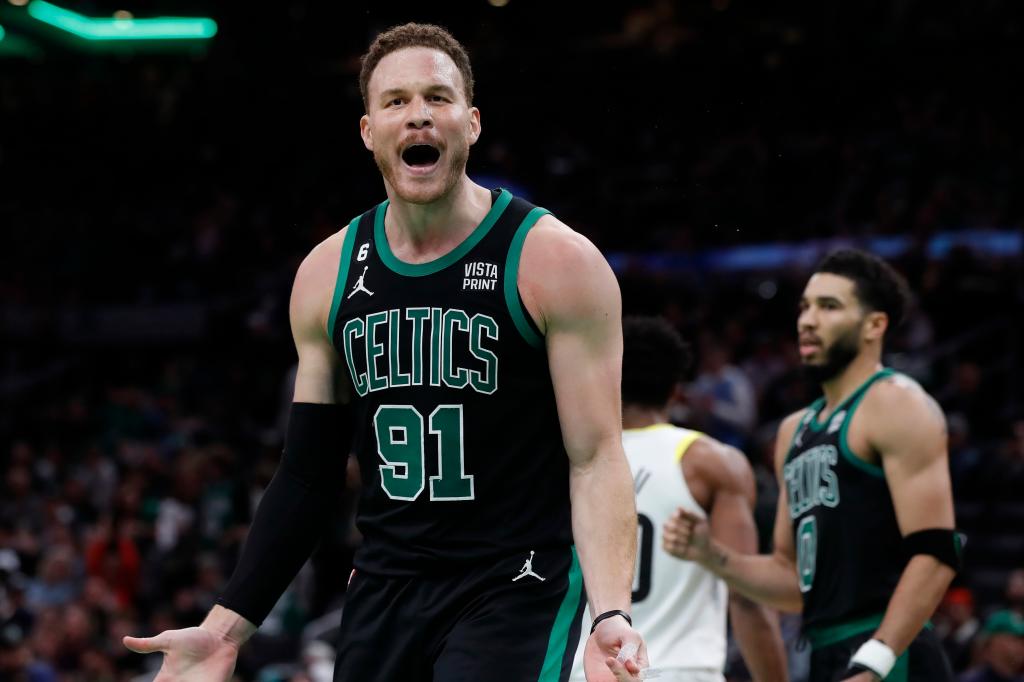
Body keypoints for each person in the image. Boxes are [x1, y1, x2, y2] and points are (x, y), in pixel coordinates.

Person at [123, 22, 646, 682]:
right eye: (396, 101)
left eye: (437, 97)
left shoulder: (555, 261)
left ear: (472, 122)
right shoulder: (327, 273)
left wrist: (611, 613)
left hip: (515, 581)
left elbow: (596, 453)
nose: (418, 114)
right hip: (383, 586)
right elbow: (309, 473)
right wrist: (225, 629)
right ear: (370, 132)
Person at [663, 249, 960, 681]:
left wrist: (877, 660)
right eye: (805, 306)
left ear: (875, 325)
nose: (807, 319)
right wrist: (713, 556)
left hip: (891, 651)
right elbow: (791, 581)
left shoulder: (896, 403)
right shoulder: (793, 431)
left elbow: (936, 553)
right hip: (827, 654)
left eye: (829, 307)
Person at [568, 316, 787, 682]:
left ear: (608, 379)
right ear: (676, 390)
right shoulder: (709, 463)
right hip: (683, 671)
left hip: (588, 670)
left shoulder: (571, 462)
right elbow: (746, 597)